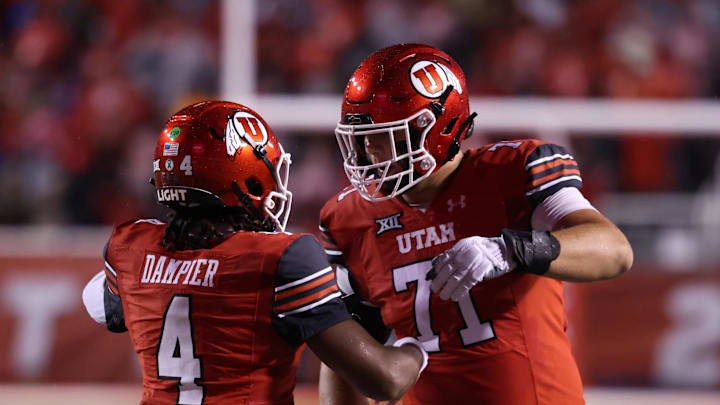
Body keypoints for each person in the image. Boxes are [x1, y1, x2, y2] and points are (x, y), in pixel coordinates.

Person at [318, 44, 633, 405]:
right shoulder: (348, 218)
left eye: (382, 137)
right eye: (361, 140)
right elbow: (351, 354)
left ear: (435, 128)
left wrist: (511, 250)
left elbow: (615, 250)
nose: (367, 155)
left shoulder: (513, 172)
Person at [81, 100, 428, 405]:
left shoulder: (129, 246)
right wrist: (418, 346)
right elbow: (384, 381)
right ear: (243, 176)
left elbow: (106, 308)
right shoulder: (281, 257)